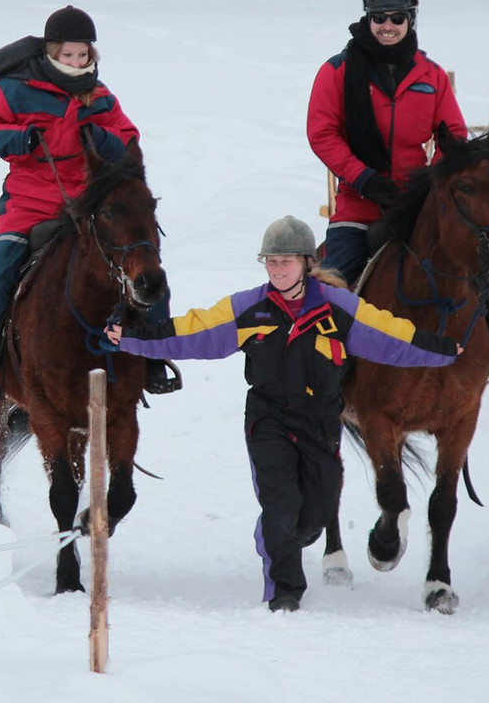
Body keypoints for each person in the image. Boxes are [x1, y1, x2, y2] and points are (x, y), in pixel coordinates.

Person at [104, 216, 460, 612]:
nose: (277, 270)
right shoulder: (249, 308)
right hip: (268, 419)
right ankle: (284, 592)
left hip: (320, 421)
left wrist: (442, 349)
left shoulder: (338, 308)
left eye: (285, 261)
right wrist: (133, 339)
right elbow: (194, 331)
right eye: (270, 262)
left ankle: (280, 536)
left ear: (306, 262)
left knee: (315, 515)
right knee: (280, 506)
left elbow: (390, 335)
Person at [306, 0, 489, 397]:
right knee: (336, 279)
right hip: (358, 203)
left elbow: (455, 138)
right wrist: (363, 177)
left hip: (419, 203)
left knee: (472, 262)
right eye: (379, 18)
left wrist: (433, 182)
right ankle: (325, 369)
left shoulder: (431, 75)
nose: (387, 26)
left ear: (410, 19)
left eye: (396, 17)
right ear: (367, 19)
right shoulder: (336, 72)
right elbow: (322, 134)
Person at [0, 5, 180, 399]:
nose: (76, 62)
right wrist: (18, 138)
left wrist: (101, 138)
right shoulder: (13, 89)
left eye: (83, 55)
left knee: (145, 264)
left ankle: (154, 357)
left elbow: (128, 140)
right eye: (68, 55)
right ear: (51, 52)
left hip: (89, 201)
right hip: (30, 201)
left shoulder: (100, 96)